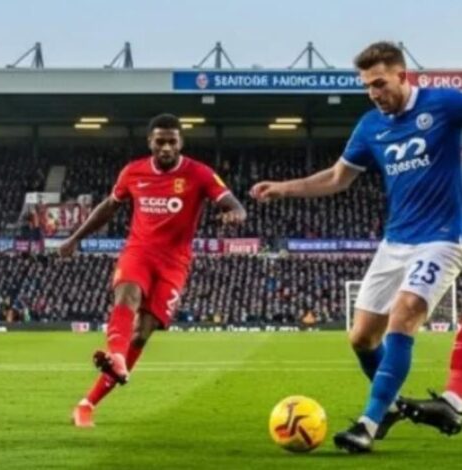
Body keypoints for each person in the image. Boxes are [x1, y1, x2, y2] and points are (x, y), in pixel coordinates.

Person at [251, 41, 462, 453]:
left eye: (380, 83)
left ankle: (368, 422)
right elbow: (337, 177)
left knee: (404, 314)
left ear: (403, 76)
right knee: (362, 338)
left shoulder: (445, 105)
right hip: (395, 240)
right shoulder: (370, 126)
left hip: (443, 236)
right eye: (367, 86)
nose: (373, 93)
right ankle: (393, 404)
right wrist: (284, 188)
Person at [61, 113, 246, 427]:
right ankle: (116, 357)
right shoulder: (133, 172)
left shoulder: (199, 173)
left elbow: (233, 203)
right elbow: (108, 207)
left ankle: (86, 404)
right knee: (127, 294)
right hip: (139, 252)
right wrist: (75, 238)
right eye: (159, 141)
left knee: (142, 333)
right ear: (150, 142)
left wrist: (235, 214)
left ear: (180, 143)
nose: (165, 147)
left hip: (174, 263)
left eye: (171, 141)